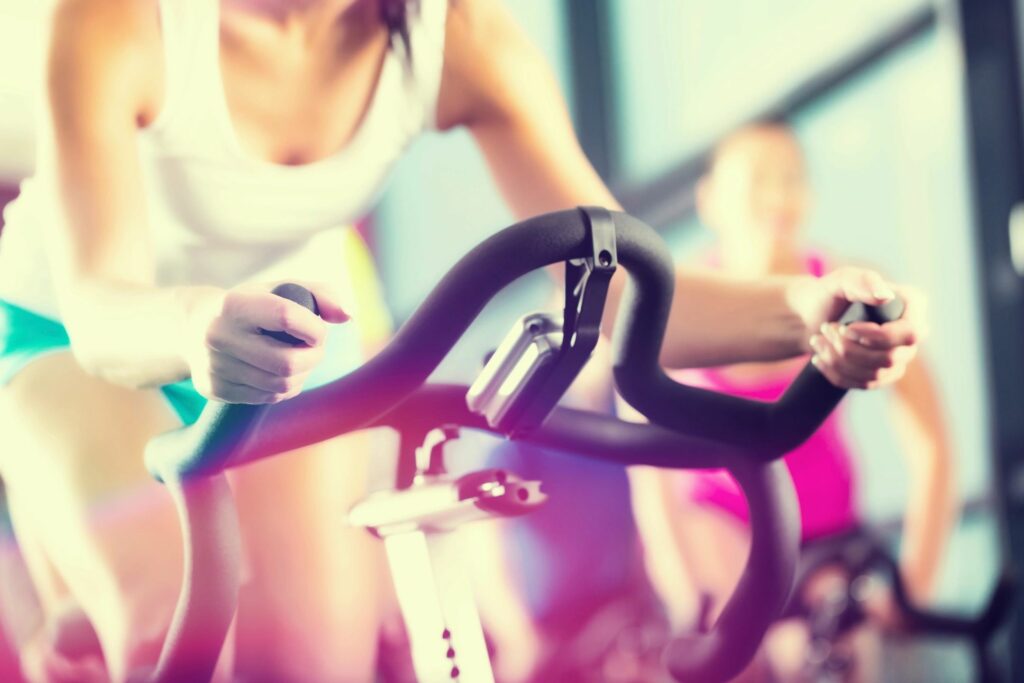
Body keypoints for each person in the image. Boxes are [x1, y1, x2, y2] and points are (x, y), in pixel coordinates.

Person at [0, 1, 923, 680]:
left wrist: (808, 314)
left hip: (284, 346)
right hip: (75, 333)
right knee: (172, 626)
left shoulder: (459, 40)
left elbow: (629, 300)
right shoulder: (118, 20)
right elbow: (105, 309)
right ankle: (90, 613)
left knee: (309, 665)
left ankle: (79, 622)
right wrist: (193, 327)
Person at [630, 121, 956, 682]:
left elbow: (931, 445)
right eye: (758, 180)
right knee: (743, 644)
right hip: (724, 530)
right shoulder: (678, 306)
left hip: (826, 534)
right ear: (710, 201)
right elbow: (649, 474)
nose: (779, 196)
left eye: (792, 178)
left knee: (842, 656)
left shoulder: (849, 289)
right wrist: (684, 594)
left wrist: (914, 586)